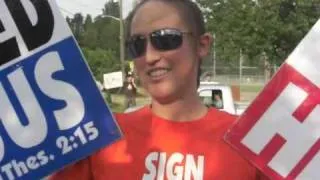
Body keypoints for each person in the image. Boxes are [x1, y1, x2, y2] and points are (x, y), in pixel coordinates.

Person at [50, 0, 268, 179]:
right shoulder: (103, 137)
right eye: (137, 45)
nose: (151, 56)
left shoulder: (248, 142)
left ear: (202, 45)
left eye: (166, 39)